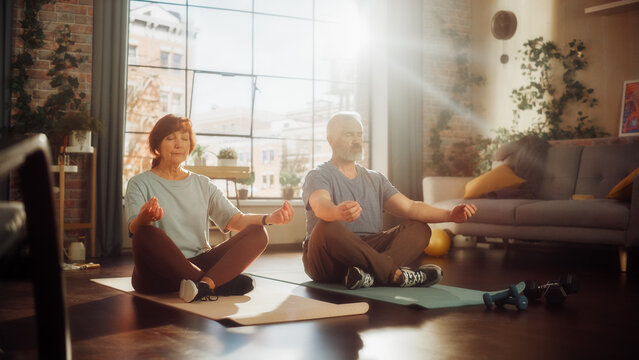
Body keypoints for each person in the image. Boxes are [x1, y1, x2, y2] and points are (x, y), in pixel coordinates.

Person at [125, 114, 294, 302]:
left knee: (258, 233)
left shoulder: (203, 184)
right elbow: (134, 227)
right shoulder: (139, 183)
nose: (178, 144)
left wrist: (268, 218)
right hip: (157, 274)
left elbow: (236, 220)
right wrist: (144, 219)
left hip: (198, 262)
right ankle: (216, 284)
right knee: (145, 234)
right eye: (170, 138)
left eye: (184, 139)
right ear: (157, 145)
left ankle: (203, 286)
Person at [302, 111, 477, 289]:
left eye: (359, 134)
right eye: (349, 134)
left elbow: (411, 207)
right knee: (326, 226)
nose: (356, 140)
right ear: (331, 140)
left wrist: (450, 215)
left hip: (368, 249)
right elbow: (320, 205)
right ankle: (395, 274)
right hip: (327, 261)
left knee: (420, 229)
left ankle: (368, 275)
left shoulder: (375, 179)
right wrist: (336, 212)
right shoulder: (318, 174)